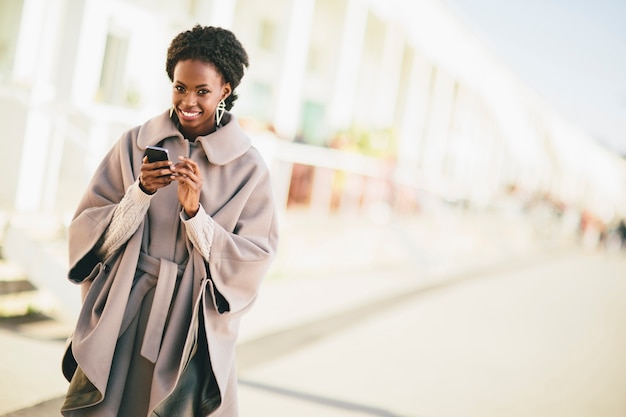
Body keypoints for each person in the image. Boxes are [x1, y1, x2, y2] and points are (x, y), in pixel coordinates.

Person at [60, 25, 279, 417]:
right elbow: (87, 230)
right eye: (180, 87)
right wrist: (140, 192)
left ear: (225, 91)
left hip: (188, 321)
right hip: (127, 308)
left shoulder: (249, 168)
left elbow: (254, 258)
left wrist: (196, 214)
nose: (188, 101)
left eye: (202, 91)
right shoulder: (135, 143)